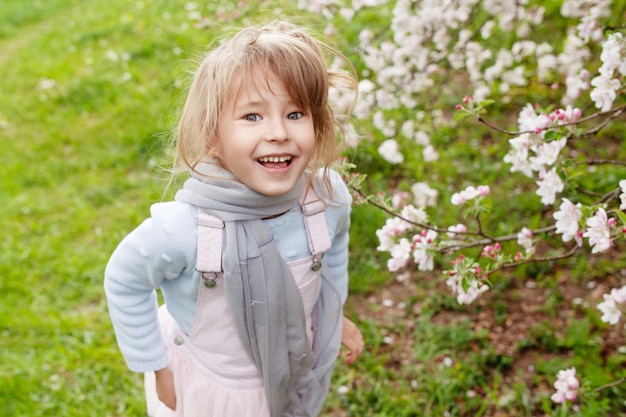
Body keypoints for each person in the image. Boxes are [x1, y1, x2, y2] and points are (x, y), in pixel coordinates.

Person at [104, 20, 363, 417]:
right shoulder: (185, 230)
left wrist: (332, 313)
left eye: (295, 113)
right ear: (213, 137)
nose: (278, 132)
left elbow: (335, 249)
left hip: (292, 366)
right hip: (210, 390)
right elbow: (125, 279)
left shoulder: (326, 198)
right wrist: (156, 367)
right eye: (252, 117)